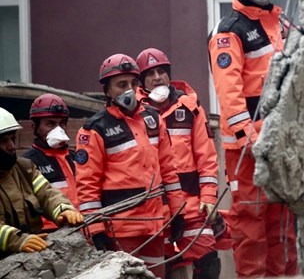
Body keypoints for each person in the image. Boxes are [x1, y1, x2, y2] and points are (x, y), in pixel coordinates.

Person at [207, 0, 298, 278]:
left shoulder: (277, 24)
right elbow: (229, 93)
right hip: (247, 149)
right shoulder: (229, 31)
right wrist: (250, 138)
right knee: (251, 225)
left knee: (283, 226)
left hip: (279, 142)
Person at [75, 54, 186, 276]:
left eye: (133, 83)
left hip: (154, 226)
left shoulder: (153, 119)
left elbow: (169, 172)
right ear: (107, 90)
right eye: (121, 84)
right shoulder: (94, 129)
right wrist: (96, 230)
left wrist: (178, 213)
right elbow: (87, 187)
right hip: (120, 231)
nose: (129, 89)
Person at [137, 47, 221, 279]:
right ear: (141, 81)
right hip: (156, 210)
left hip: (192, 205)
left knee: (208, 263)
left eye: (161, 71)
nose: (157, 77)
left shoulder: (190, 108)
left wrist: (209, 197)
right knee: (166, 270)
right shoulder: (135, 112)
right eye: (150, 73)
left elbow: (206, 156)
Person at [0, 106, 84, 257]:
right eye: (4, 141)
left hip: (31, 253)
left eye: (13, 139)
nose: (12, 146)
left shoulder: (24, 168)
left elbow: (47, 194)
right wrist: (16, 240)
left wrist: (63, 210)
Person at [23, 93, 79, 231]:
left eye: (62, 123)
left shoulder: (75, 157)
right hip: (50, 232)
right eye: (50, 124)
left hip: (81, 226)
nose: (58, 129)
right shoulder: (27, 163)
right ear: (34, 126)